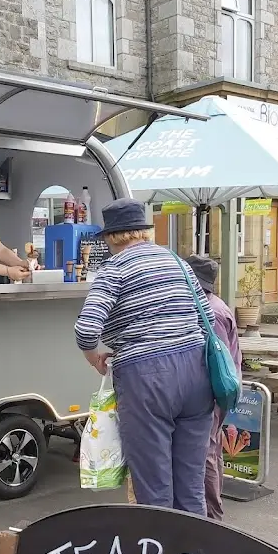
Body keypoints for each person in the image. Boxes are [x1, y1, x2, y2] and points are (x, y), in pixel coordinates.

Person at [74, 198, 214, 516]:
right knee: (191, 488)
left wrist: (93, 357)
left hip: (147, 380)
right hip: (197, 375)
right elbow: (208, 319)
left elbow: (86, 329)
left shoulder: (114, 269)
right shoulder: (178, 263)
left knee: (155, 490)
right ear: (144, 231)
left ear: (111, 237)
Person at [187, 256, 242, 522]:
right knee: (213, 449)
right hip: (219, 390)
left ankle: (212, 515)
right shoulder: (215, 305)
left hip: (213, 390)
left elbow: (217, 359)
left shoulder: (211, 312)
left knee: (206, 452)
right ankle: (213, 508)